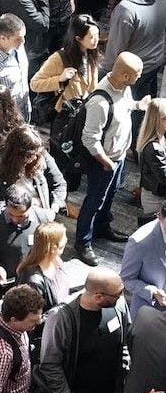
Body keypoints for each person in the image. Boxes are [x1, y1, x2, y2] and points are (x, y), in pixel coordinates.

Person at [74, 52, 146, 266]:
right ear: (124, 75)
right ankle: (83, 242)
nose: (139, 77)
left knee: (110, 194)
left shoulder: (124, 88)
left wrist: (138, 105)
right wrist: (106, 162)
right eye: (137, 74)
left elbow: (125, 107)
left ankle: (102, 227)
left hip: (118, 156)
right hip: (104, 161)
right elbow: (90, 138)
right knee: (94, 201)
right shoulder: (100, 102)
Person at [104, 0, 165, 140]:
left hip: (132, 72)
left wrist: (107, 74)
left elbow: (116, 50)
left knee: (131, 112)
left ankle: (137, 148)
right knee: (148, 109)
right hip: (155, 63)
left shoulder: (126, 9)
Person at [30, 15, 100, 153]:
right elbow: (35, 83)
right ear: (78, 39)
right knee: (60, 155)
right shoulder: (60, 58)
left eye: (97, 34)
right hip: (65, 117)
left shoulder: (92, 55)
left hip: (84, 114)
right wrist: (59, 79)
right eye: (92, 37)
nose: (96, 40)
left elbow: (92, 86)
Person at [0, 127, 67, 226]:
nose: (33, 158)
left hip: (39, 217)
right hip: (7, 218)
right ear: (15, 154)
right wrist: (18, 209)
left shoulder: (41, 155)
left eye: (36, 154)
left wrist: (54, 208)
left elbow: (59, 184)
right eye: (29, 156)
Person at [0, 186, 39, 282]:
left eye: (21, 216)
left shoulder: (42, 219)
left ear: (30, 208)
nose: (15, 220)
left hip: (31, 281)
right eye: (10, 214)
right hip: (4, 280)